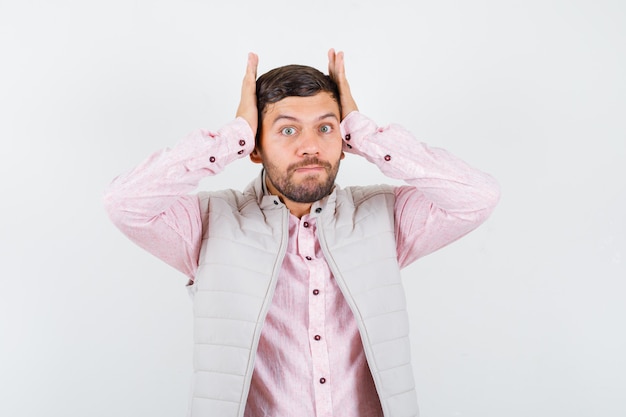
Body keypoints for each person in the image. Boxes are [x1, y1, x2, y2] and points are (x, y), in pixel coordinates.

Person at [104, 49, 500, 417]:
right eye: (288, 131)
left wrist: (366, 134)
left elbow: (477, 197)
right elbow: (124, 202)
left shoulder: (383, 217)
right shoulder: (209, 222)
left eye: (326, 128)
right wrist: (233, 136)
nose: (310, 147)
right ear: (255, 148)